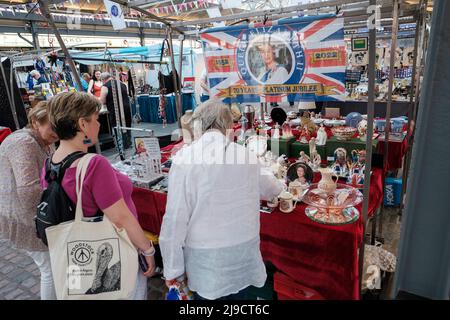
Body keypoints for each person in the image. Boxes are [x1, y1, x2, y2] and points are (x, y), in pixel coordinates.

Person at [159, 99, 284, 300]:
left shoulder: (185, 159)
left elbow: (174, 221)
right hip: (242, 257)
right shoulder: (245, 155)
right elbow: (273, 188)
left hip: (207, 264)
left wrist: (172, 270)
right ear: (227, 126)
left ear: (198, 125)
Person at [44, 92, 156, 299]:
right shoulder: (94, 164)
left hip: (83, 250)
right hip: (115, 248)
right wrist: (147, 249)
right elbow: (120, 217)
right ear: (82, 124)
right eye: (96, 119)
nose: (99, 125)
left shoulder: (51, 162)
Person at [0, 101, 59, 300]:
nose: (57, 131)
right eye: (52, 125)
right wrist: (55, 211)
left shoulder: (42, 141)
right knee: (49, 268)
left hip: (33, 214)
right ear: (35, 122)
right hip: (25, 217)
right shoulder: (23, 142)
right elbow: (28, 191)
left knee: (52, 267)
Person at [100, 72, 132, 149]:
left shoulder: (105, 86)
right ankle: (128, 143)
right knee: (127, 125)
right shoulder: (122, 84)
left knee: (118, 126)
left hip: (115, 109)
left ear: (103, 79)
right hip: (126, 108)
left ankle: (122, 145)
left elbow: (102, 100)